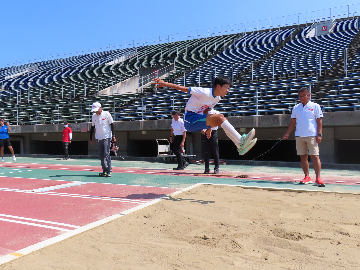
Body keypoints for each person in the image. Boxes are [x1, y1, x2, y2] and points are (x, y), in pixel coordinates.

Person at [152, 76, 257, 155]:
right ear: (218, 86)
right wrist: (165, 83)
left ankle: (239, 145)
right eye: (227, 87)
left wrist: (208, 127)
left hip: (198, 118)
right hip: (189, 119)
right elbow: (183, 88)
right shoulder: (204, 92)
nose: (228, 90)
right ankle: (240, 140)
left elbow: (207, 111)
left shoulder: (217, 98)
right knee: (220, 117)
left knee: (220, 119)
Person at [282, 87, 325, 187]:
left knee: (315, 156)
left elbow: (319, 121)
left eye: (303, 96)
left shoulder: (315, 106)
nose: (301, 98)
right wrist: (287, 133)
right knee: (303, 156)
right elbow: (293, 122)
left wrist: (319, 134)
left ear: (308, 95)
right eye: (300, 96)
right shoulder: (296, 108)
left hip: (312, 135)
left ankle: (318, 178)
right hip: (299, 135)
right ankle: (307, 177)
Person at [89, 102, 116, 177]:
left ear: (100, 108)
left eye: (97, 110)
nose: (96, 111)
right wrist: (90, 138)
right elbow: (92, 127)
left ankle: (109, 170)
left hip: (107, 137)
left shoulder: (107, 114)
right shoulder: (94, 116)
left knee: (106, 153)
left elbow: (112, 125)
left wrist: (113, 135)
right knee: (101, 155)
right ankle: (104, 170)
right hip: (98, 138)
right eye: (94, 110)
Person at [201, 109, 220, 174]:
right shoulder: (203, 112)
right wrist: (202, 129)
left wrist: (210, 129)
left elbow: (216, 122)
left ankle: (216, 168)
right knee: (206, 151)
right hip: (205, 133)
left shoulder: (216, 112)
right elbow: (201, 123)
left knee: (215, 150)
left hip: (214, 132)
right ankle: (206, 168)